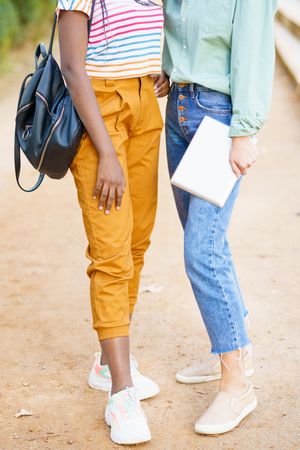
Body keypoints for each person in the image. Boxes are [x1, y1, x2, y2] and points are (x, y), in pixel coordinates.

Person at [163, 0, 278, 435]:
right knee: (206, 242)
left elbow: (253, 49)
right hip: (177, 110)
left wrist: (246, 129)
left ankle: (237, 385)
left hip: (218, 117)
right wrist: (171, 68)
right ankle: (233, 347)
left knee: (202, 252)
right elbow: (180, 29)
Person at [57, 0, 168, 445]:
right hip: (99, 115)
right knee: (110, 250)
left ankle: (107, 364)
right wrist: (104, 151)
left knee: (137, 239)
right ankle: (121, 394)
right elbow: (71, 64)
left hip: (145, 106)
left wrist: (160, 68)